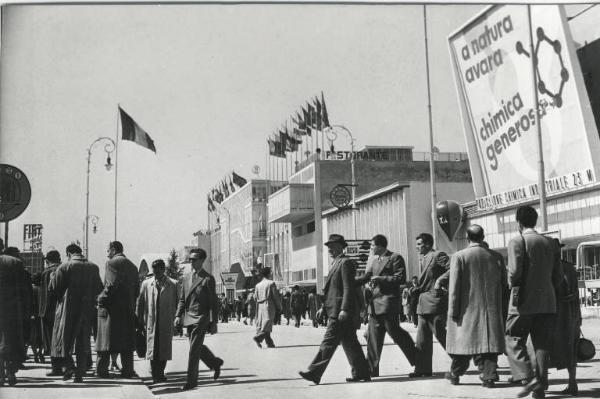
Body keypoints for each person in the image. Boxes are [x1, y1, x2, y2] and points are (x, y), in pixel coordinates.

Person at [505, 206, 562, 399]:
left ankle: (528, 378)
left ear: (518, 223)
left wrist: (510, 283)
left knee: (512, 338)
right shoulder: (550, 243)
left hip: (523, 303)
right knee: (541, 344)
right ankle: (540, 388)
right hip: (547, 302)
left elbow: (513, 274)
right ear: (535, 221)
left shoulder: (517, 241)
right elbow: (558, 278)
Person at [298, 234, 370, 385]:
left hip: (340, 311)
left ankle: (314, 372)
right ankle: (362, 372)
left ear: (340, 246)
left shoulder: (346, 263)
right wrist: (323, 307)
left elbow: (347, 288)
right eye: (328, 246)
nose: (329, 249)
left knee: (328, 341)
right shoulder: (336, 263)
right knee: (350, 342)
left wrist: (344, 309)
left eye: (332, 246)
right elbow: (332, 290)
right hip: (334, 308)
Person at [444, 225, 507, 388]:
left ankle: (455, 373)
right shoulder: (497, 257)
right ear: (483, 236)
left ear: (467, 237)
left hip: (467, 309)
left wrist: (453, 310)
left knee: (464, 344)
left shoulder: (459, 256)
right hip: (492, 309)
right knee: (489, 344)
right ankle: (489, 376)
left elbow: (454, 287)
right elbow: (504, 286)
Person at [355, 234, 416, 378]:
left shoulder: (395, 258)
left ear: (380, 246)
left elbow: (400, 278)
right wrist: (349, 282)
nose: (371, 248)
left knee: (396, 334)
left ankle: (419, 361)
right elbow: (365, 277)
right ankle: (371, 369)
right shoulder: (374, 261)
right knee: (373, 338)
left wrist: (381, 279)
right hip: (375, 305)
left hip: (388, 303)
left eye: (372, 245)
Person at [49, 243, 103, 383]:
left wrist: (52, 279)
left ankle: (70, 366)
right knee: (83, 341)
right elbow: (99, 289)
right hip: (87, 309)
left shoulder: (65, 267)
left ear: (68, 254)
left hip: (68, 309)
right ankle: (79, 373)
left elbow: (55, 289)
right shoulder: (93, 267)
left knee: (63, 340)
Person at [175, 248, 223, 391]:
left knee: (193, 351)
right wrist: (178, 315)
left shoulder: (208, 279)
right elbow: (182, 300)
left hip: (201, 318)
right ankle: (214, 363)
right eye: (190, 259)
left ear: (202, 260)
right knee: (196, 348)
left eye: (194, 259)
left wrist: (214, 322)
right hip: (188, 317)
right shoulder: (186, 278)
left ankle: (191, 381)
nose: (191, 262)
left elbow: (213, 303)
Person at [96, 241, 140, 378]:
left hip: (111, 311)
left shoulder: (111, 263)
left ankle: (102, 371)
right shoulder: (132, 266)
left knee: (105, 343)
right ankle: (127, 371)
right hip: (127, 310)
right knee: (126, 345)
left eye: (108, 250)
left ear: (113, 250)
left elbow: (110, 285)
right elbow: (137, 290)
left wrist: (100, 299)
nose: (107, 253)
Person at [408, 233, 450, 378]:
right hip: (423, 302)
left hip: (434, 301)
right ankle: (422, 369)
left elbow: (454, 268)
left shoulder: (438, 255)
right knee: (422, 339)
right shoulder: (423, 258)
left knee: (441, 334)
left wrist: (440, 281)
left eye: (419, 244)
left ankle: (460, 360)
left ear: (427, 244)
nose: (417, 247)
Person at [136, 259, 178, 384]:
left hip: (166, 321)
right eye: (154, 271)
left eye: (159, 271)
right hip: (151, 322)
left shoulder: (173, 284)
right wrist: (139, 321)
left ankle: (160, 373)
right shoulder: (146, 284)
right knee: (153, 349)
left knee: (164, 349)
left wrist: (177, 320)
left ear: (163, 269)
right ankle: (156, 375)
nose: (156, 274)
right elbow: (140, 304)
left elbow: (178, 303)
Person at [550, 239, 581, 396]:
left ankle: (541, 384)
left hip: (556, 315)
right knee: (571, 349)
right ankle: (572, 383)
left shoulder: (549, 269)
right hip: (571, 314)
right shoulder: (569, 267)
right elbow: (576, 294)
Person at [0, 239, 31, 386]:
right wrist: (26, 310)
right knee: (10, 341)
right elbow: (25, 290)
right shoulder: (15, 263)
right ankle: (10, 372)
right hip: (11, 310)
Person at [39, 250, 63, 376]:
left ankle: (56, 367)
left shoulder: (47, 272)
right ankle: (63, 365)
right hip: (62, 310)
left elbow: (45, 295)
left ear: (47, 261)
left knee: (51, 340)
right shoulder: (63, 269)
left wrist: (42, 312)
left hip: (49, 311)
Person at [253, 267, 282, 348]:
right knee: (268, 323)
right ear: (269, 273)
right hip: (268, 305)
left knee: (263, 324)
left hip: (259, 306)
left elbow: (255, 297)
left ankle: (269, 343)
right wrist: (279, 307)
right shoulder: (271, 283)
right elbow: (275, 297)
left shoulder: (257, 285)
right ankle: (259, 338)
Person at [30, 273, 44, 363]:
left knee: (33, 337)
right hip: (42, 316)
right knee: (41, 336)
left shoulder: (31, 289)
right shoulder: (43, 289)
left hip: (33, 316)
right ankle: (40, 352)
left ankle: (35, 354)